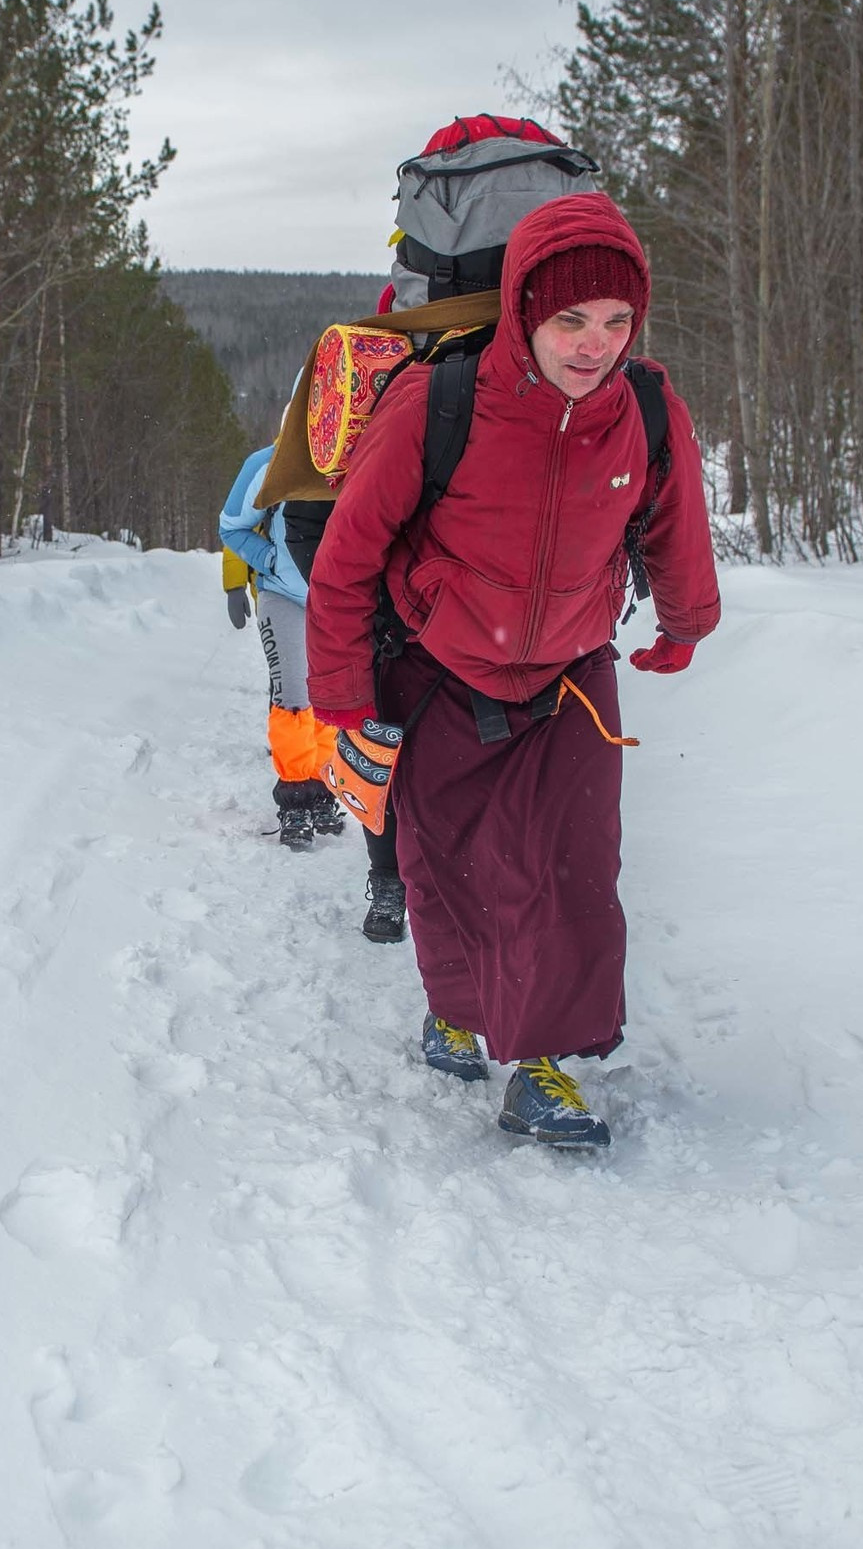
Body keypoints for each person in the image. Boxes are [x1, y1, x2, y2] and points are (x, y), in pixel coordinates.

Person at [306, 192, 720, 1148]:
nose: (594, 345)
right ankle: (455, 1008)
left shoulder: (646, 410)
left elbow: (674, 525)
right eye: (571, 320)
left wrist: (686, 622)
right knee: (446, 864)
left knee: (572, 872)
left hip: (572, 672)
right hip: (440, 665)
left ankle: (544, 1068)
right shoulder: (437, 403)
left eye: (617, 322)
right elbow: (346, 560)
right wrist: (344, 703)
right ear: (525, 309)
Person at [219, 449, 410, 942]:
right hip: (286, 594)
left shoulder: (376, 447)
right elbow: (231, 527)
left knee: (334, 700)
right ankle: (294, 798)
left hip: (346, 600)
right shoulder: (271, 461)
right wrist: (266, 564)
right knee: (291, 699)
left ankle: (324, 788)